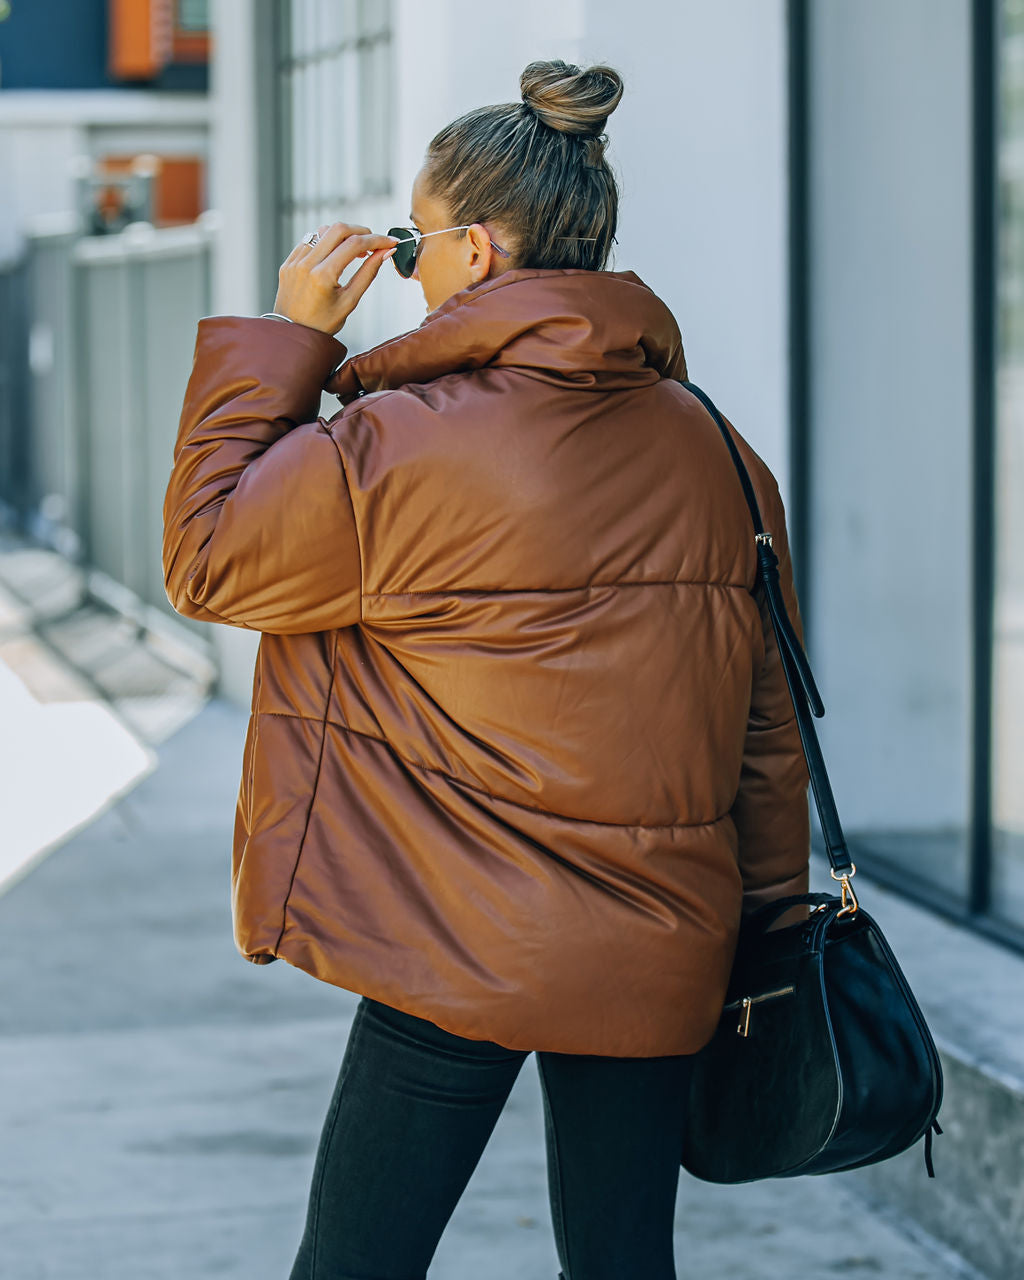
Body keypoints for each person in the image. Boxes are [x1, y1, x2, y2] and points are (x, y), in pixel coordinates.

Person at [162, 57, 811, 1280]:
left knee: (356, 1262)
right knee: (624, 1266)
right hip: (658, 938)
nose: (406, 279)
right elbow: (763, 725)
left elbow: (207, 558)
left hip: (448, 930)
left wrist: (295, 336)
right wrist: (767, 919)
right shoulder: (718, 448)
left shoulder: (391, 445)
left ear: (472, 248)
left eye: (409, 247)